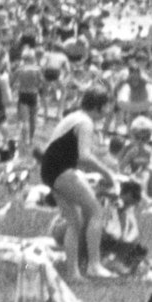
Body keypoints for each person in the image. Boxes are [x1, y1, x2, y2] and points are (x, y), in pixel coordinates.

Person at [38, 88, 122, 281]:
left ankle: (73, 273)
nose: (108, 111)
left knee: (75, 221)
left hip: (50, 170)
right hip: (61, 170)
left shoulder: (74, 117)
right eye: (106, 106)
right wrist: (108, 173)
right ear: (98, 106)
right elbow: (84, 156)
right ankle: (94, 265)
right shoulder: (85, 123)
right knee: (96, 212)